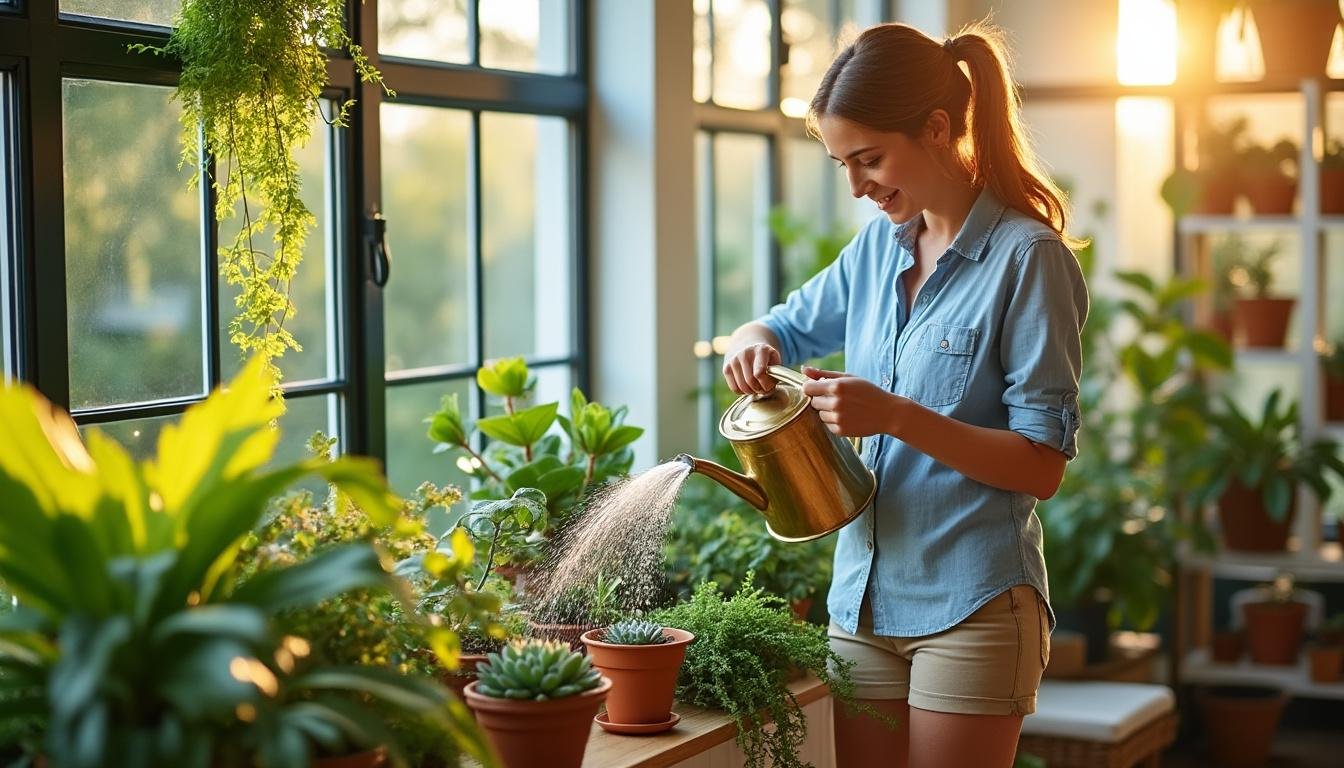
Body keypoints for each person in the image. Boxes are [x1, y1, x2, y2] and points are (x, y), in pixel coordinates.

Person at [720, 20, 1089, 768]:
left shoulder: (1029, 260)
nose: (856, 186)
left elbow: (1040, 468)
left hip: (974, 607)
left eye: (870, 159)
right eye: (841, 164)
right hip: (859, 606)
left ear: (938, 127)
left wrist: (891, 415)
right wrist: (750, 344)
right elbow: (777, 325)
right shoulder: (876, 250)